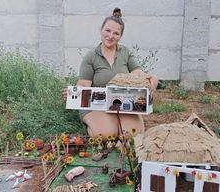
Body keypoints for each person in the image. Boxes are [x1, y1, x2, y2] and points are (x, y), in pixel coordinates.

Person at [63, 8, 158, 138]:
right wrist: (73, 94)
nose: (110, 36)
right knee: (105, 134)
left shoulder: (125, 52)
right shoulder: (91, 57)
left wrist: (151, 79)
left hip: (123, 104)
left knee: (132, 134)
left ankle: (116, 121)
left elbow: (138, 74)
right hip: (96, 105)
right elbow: (84, 84)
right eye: (107, 30)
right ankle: (99, 124)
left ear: (120, 36)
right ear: (101, 30)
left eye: (116, 33)